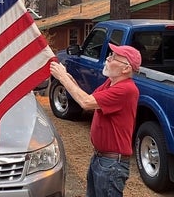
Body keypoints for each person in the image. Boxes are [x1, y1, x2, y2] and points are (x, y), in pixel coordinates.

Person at [50, 44, 141, 197]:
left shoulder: (126, 89)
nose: (107, 58)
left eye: (113, 57)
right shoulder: (110, 84)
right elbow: (89, 98)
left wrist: (62, 77)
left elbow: (85, 102)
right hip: (101, 159)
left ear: (126, 69)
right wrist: (66, 75)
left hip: (111, 165)